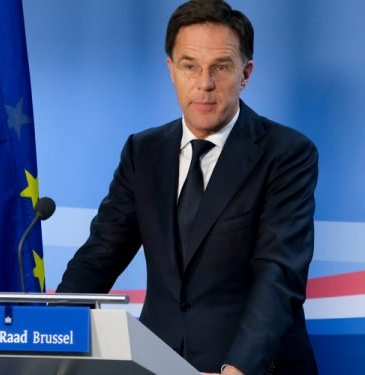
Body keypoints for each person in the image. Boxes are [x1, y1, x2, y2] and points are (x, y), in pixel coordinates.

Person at [56, 1, 318, 374]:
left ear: (246, 73)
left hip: (252, 367)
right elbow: (99, 256)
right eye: (189, 66)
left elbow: (278, 274)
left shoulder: (286, 153)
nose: (204, 84)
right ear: (171, 70)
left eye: (221, 68)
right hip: (156, 363)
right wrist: (49, 333)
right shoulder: (143, 152)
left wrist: (238, 368)